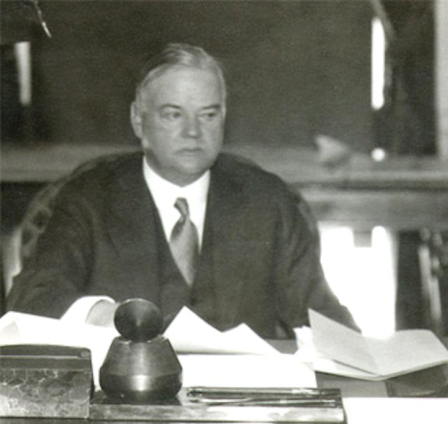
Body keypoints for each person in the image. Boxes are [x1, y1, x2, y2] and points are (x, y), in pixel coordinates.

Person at [6, 42, 357, 338]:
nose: (193, 132)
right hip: (126, 401)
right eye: (173, 115)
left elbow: (322, 316)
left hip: (241, 407)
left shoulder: (267, 199)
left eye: (208, 115)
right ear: (138, 121)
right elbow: (33, 297)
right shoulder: (89, 197)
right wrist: (103, 316)